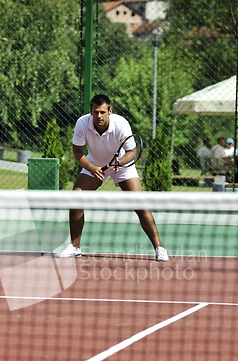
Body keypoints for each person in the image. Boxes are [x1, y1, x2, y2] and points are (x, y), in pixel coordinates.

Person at [57, 94, 169, 261]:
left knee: (140, 203)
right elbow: (77, 152)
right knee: (76, 197)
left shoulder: (121, 124)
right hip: (94, 163)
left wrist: (120, 162)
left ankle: (159, 248)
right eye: (96, 112)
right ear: (91, 112)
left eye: (103, 112)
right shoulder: (82, 123)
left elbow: (132, 151)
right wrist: (92, 168)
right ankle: (75, 246)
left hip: (121, 166)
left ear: (110, 111)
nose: (99, 116)